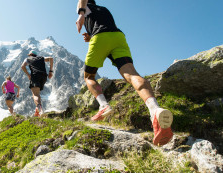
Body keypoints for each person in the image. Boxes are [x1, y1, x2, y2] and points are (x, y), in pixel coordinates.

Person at [75, 0, 173, 146]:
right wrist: (89, 36)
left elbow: (82, 2)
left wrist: (80, 15)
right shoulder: (103, 9)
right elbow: (102, 26)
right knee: (132, 74)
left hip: (100, 38)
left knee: (89, 77)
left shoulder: (85, 6)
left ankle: (103, 106)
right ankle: (155, 110)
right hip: (118, 37)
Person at [21, 50, 54, 117]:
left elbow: (22, 66)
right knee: (37, 94)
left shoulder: (28, 59)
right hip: (44, 77)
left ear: (30, 54)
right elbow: (51, 58)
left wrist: (28, 75)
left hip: (35, 76)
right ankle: (37, 111)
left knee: (35, 94)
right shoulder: (41, 58)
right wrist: (50, 71)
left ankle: (41, 110)